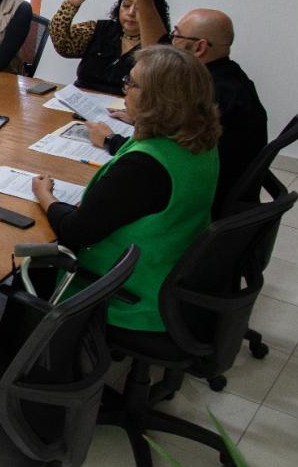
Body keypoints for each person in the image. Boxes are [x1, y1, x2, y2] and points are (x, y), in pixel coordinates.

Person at [32, 45, 221, 332]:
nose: (125, 91)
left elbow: (75, 230)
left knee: (32, 260)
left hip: (130, 295)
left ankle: (26, 347)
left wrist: (44, 195)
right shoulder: (199, 141)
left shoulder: (142, 167)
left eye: (131, 84)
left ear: (157, 100)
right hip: (170, 272)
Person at [86, 0, 267, 211]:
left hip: (203, 201)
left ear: (199, 47)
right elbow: (160, 54)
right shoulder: (225, 74)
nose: (170, 42)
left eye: (176, 36)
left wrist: (110, 140)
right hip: (222, 190)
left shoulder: (207, 92)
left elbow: (166, 157)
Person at [50, 0, 170, 94]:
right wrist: (71, 4)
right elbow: (63, 45)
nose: (131, 13)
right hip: (81, 99)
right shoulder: (100, 29)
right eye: (126, 5)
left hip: (123, 105)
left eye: (139, 8)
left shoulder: (158, 46)